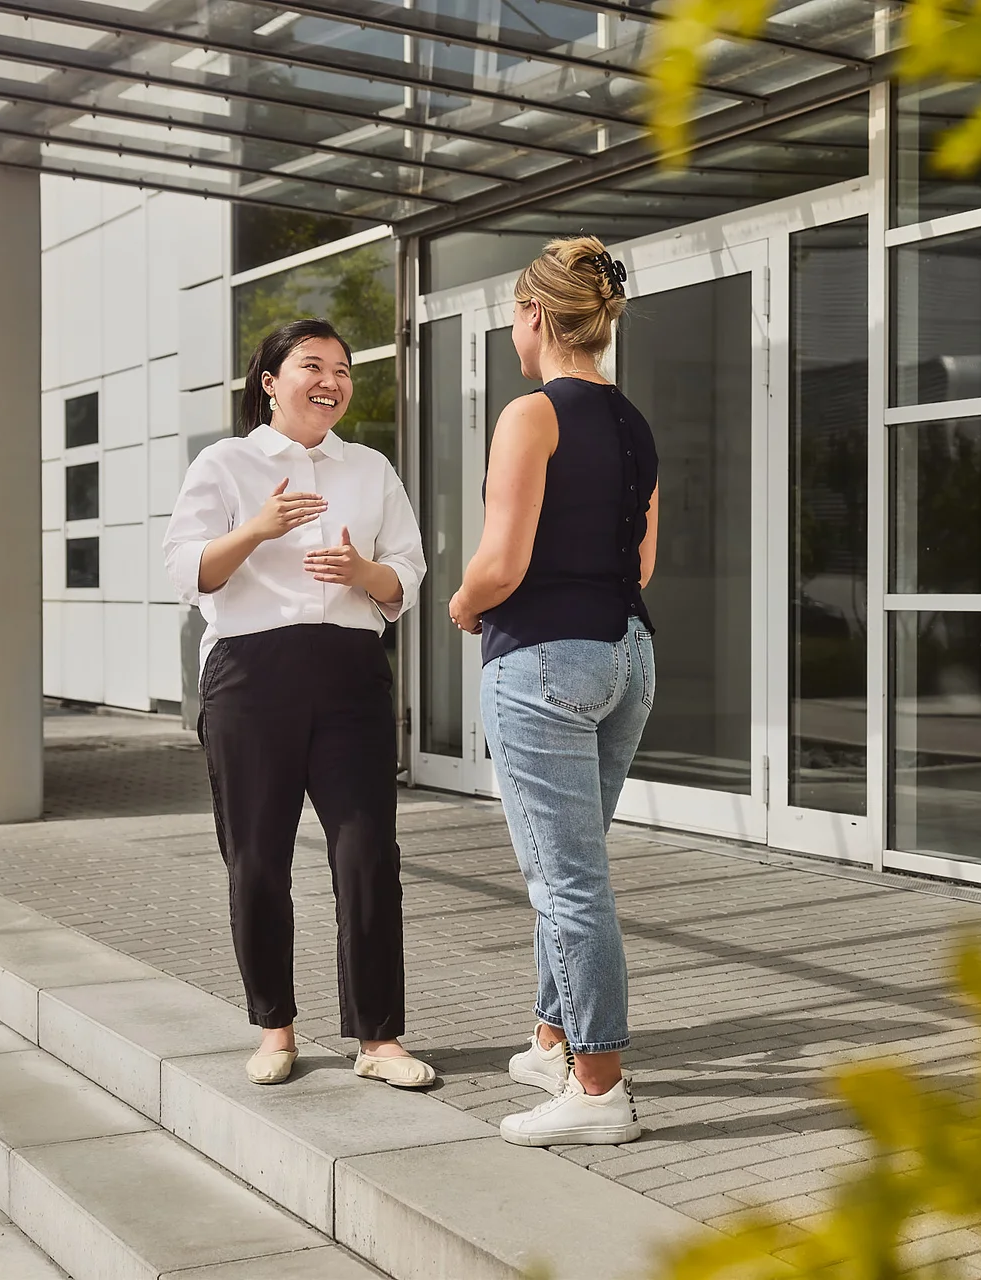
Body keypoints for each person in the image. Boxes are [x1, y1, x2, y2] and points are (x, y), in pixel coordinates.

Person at [163, 317, 434, 1090]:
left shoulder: (371, 468)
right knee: (257, 861)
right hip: (252, 676)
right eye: (312, 365)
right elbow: (189, 573)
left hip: (350, 672)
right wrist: (256, 528)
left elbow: (405, 578)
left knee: (368, 857)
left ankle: (379, 1040)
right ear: (270, 381)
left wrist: (363, 571)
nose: (333, 380)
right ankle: (274, 1028)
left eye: (344, 369)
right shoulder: (226, 463)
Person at [449, 236, 659, 1147]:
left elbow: (502, 563)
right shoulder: (635, 424)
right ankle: (551, 1039)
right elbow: (646, 559)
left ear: (534, 316)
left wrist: (461, 604)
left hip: (543, 662)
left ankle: (600, 1088)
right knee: (575, 867)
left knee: (566, 883)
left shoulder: (529, 415)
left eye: (512, 312)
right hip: (628, 656)